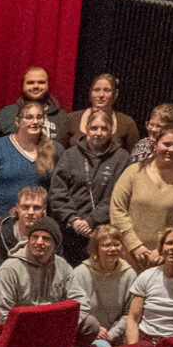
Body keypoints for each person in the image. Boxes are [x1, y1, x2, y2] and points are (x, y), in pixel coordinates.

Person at [111, 127, 173, 270]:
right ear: (155, 144)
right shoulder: (133, 172)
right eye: (166, 144)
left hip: (166, 259)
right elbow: (117, 210)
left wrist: (163, 249)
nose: (171, 149)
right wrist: (134, 245)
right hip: (128, 255)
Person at [51, 107, 134, 249]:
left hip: (104, 232)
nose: (98, 133)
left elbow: (119, 196)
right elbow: (57, 191)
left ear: (112, 130)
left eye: (104, 128)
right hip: (70, 231)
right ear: (86, 128)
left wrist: (92, 220)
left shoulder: (122, 158)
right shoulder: (70, 155)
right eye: (94, 128)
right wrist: (73, 219)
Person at [0, 98, 58, 226]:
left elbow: (58, 191)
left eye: (39, 117)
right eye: (29, 117)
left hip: (35, 227)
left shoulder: (55, 150)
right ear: (17, 122)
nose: (35, 121)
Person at [69, 225, 136, 346]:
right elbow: (75, 311)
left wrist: (111, 334)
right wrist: (95, 330)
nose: (113, 249)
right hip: (86, 335)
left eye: (116, 244)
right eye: (106, 245)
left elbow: (128, 313)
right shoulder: (80, 273)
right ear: (96, 248)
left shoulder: (129, 274)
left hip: (116, 336)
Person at [0, 219, 69, 313]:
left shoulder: (62, 266)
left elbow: (78, 299)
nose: (39, 242)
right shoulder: (8, 271)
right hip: (20, 322)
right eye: (35, 237)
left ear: (55, 244)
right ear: (28, 240)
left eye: (46, 238)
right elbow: (2, 314)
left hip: (54, 320)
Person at [0, 186, 67, 270]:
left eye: (36, 208)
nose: (30, 212)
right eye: (25, 207)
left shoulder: (52, 233)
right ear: (17, 208)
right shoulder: (1, 232)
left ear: (44, 209)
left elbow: (59, 268)